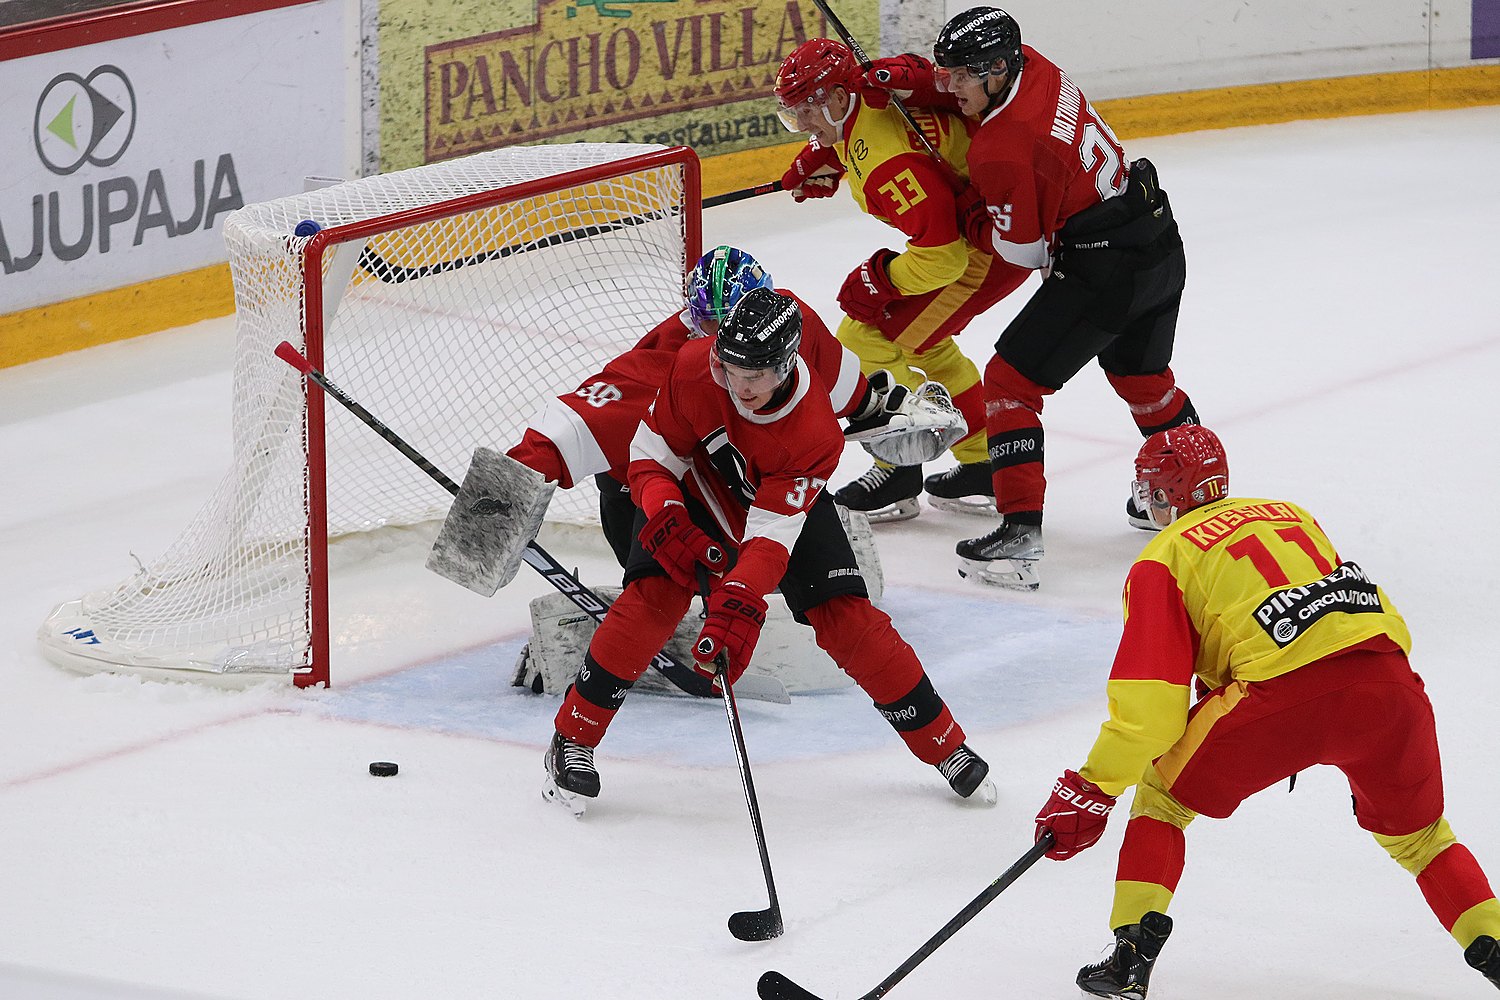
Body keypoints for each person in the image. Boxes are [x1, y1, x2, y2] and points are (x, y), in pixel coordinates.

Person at [1030, 424, 1500, 998]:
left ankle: (1129, 954)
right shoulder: (1290, 513)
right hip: (1388, 684)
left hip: (1278, 701)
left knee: (1162, 797)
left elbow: (1150, 709)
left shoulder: (1163, 557)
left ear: (1164, 493)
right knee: (1425, 840)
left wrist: (1091, 788)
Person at [542, 287, 996, 815]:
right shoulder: (697, 366)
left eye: (753, 375)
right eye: (729, 369)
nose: (737, 385)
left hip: (774, 500)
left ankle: (945, 745)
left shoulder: (814, 434)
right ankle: (572, 739)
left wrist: (739, 597)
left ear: (786, 365)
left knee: (846, 617)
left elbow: (770, 537)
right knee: (654, 597)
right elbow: (650, 452)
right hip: (687, 489)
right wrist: (664, 511)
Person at [862, 8, 1201, 589]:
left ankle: (1019, 533)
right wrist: (910, 79)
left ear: (997, 71)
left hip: (1102, 266)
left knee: (1009, 383)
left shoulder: (1002, 147)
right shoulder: (1034, 66)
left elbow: (1019, 253)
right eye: (948, 74)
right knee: (1144, 380)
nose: (952, 87)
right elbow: (963, 96)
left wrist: (972, 215)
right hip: (1157, 240)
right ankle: (1195, 501)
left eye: (961, 77)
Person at [774, 37, 1030, 523]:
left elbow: (943, 259)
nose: (802, 126)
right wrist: (828, 158)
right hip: (990, 233)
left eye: (805, 111)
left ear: (832, 98)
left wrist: (880, 281)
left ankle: (898, 468)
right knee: (923, 345)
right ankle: (984, 464)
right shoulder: (864, 103)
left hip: (981, 251)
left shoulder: (886, 165)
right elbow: (868, 138)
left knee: (860, 341)